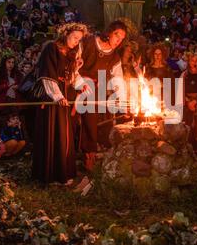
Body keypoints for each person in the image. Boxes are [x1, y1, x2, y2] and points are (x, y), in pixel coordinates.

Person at [32, 22, 89, 185]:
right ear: (66, 34)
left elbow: (72, 75)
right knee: (53, 134)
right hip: (51, 101)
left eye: (79, 40)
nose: (76, 42)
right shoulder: (51, 48)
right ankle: (50, 175)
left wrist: (81, 84)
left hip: (64, 99)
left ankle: (63, 173)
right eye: (75, 38)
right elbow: (47, 75)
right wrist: (57, 96)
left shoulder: (71, 54)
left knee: (64, 135)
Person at [79, 20, 127, 171]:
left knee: (95, 121)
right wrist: (79, 83)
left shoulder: (115, 57)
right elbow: (74, 63)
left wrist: (123, 101)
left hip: (96, 91)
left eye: (122, 39)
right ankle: (77, 154)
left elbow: (118, 80)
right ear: (109, 33)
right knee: (78, 120)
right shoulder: (88, 42)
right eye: (116, 36)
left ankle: (91, 155)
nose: (118, 41)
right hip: (76, 84)